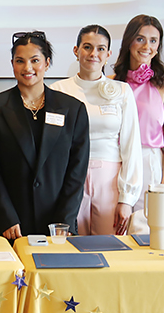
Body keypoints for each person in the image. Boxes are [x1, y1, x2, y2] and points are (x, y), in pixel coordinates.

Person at [0, 31, 89, 240]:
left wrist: (63, 221)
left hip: (57, 226)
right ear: (12, 64)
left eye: (35, 60)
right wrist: (5, 217)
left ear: (47, 62)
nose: (27, 68)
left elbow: (77, 173)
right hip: (8, 227)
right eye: (20, 61)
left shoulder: (73, 109)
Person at [51, 25, 142, 235]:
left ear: (108, 54)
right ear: (76, 50)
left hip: (109, 179)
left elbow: (131, 145)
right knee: (72, 245)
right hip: (70, 177)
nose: (94, 54)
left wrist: (126, 199)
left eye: (101, 49)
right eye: (87, 47)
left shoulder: (122, 91)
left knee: (109, 245)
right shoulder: (58, 90)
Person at [112, 15, 164, 214]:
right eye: (140, 39)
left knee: (147, 227)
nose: (146, 46)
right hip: (117, 160)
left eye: (153, 41)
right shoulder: (112, 82)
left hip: (149, 161)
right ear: (129, 41)